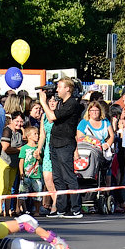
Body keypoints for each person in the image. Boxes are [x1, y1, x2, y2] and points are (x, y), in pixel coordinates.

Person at [41, 77, 82, 218]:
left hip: (65, 143)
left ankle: (76, 208)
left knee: (68, 176)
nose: (57, 90)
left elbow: (52, 117)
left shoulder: (72, 104)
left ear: (68, 89)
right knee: (57, 178)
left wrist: (42, 102)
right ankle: (61, 208)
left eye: (59, 87)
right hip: (54, 143)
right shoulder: (62, 103)